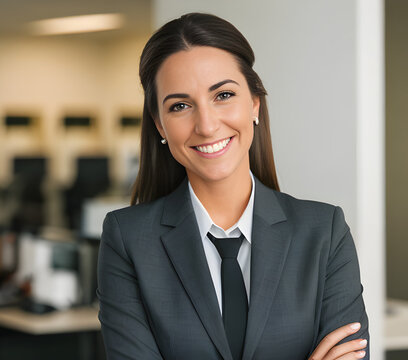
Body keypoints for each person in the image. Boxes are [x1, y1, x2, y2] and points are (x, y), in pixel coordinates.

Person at [97, 13, 369, 360]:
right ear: (159, 125)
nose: (207, 125)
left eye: (223, 95)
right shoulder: (129, 241)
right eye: (180, 106)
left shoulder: (324, 234)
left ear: (254, 103)